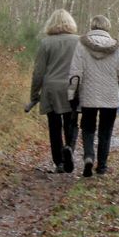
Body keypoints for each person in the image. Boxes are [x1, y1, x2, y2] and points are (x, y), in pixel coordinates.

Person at [70, 15, 119, 176]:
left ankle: (89, 156)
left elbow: (75, 71)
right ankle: (102, 166)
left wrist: (72, 92)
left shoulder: (82, 44)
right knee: (106, 130)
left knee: (88, 127)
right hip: (110, 94)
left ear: (92, 26)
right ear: (107, 27)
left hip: (88, 93)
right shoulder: (115, 46)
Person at [29, 9, 79, 173]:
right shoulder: (79, 42)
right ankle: (69, 147)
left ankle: (59, 162)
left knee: (54, 125)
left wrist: (34, 94)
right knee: (71, 122)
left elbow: (38, 72)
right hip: (73, 87)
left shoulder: (46, 43)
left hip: (51, 89)